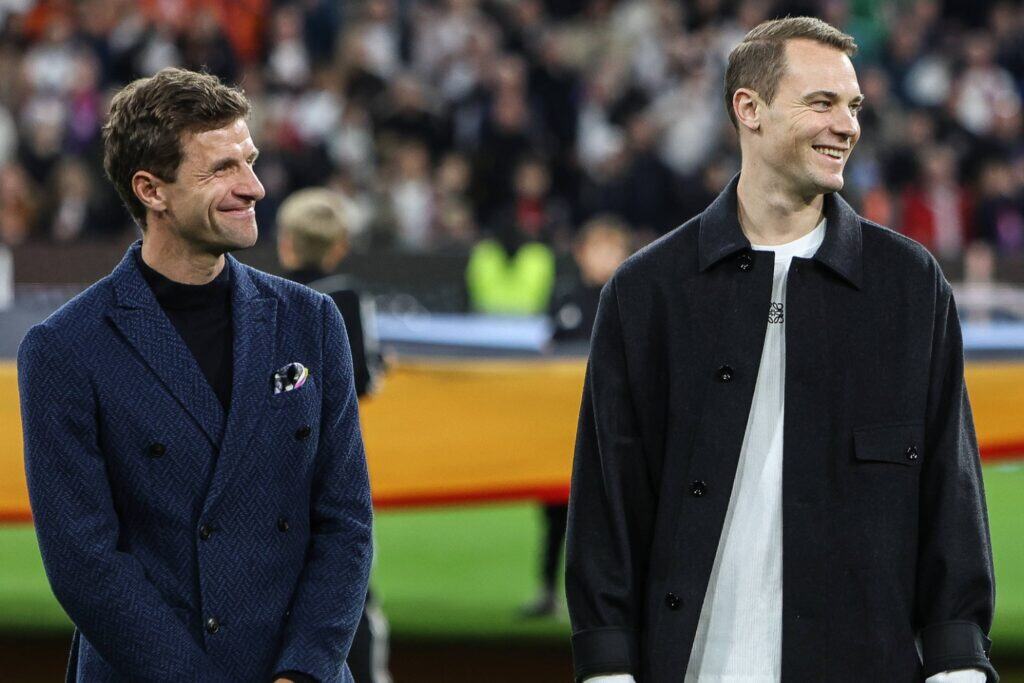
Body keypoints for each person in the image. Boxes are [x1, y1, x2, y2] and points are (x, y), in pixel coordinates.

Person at [566, 18, 996, 683]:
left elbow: (950, 484)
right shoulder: (646, 291)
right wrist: (606, 664)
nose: (847, 125)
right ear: (750, 109)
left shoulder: (910, 287)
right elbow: (608, 498)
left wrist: (959, 661)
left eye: (852, 106)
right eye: (821, 102)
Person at [17, 67, 372, 682]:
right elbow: (85, 561)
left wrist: (304, 671)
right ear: (151, 191)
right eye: (222, 169)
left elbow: (345, 520)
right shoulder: (63, 349)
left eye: (251, 161)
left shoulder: (312, 320)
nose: (255, 187)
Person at [276, 187, 391, 683]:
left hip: (277, 463)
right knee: (348, 577)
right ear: (340, 244)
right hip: (334, 460)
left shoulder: (265, 296)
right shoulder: (345, 298)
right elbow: (364, 378)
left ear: (287, 244)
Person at [521, 215, 632, 619]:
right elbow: (547, 356)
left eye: (611, 250)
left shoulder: (631, 296)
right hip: (563, 432)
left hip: (615, 431)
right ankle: (547, 591)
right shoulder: (565, 299)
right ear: (581, 255)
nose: (603, 258)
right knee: (555, 517)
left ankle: (606, 600)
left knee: (610, 519)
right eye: (596, 250)